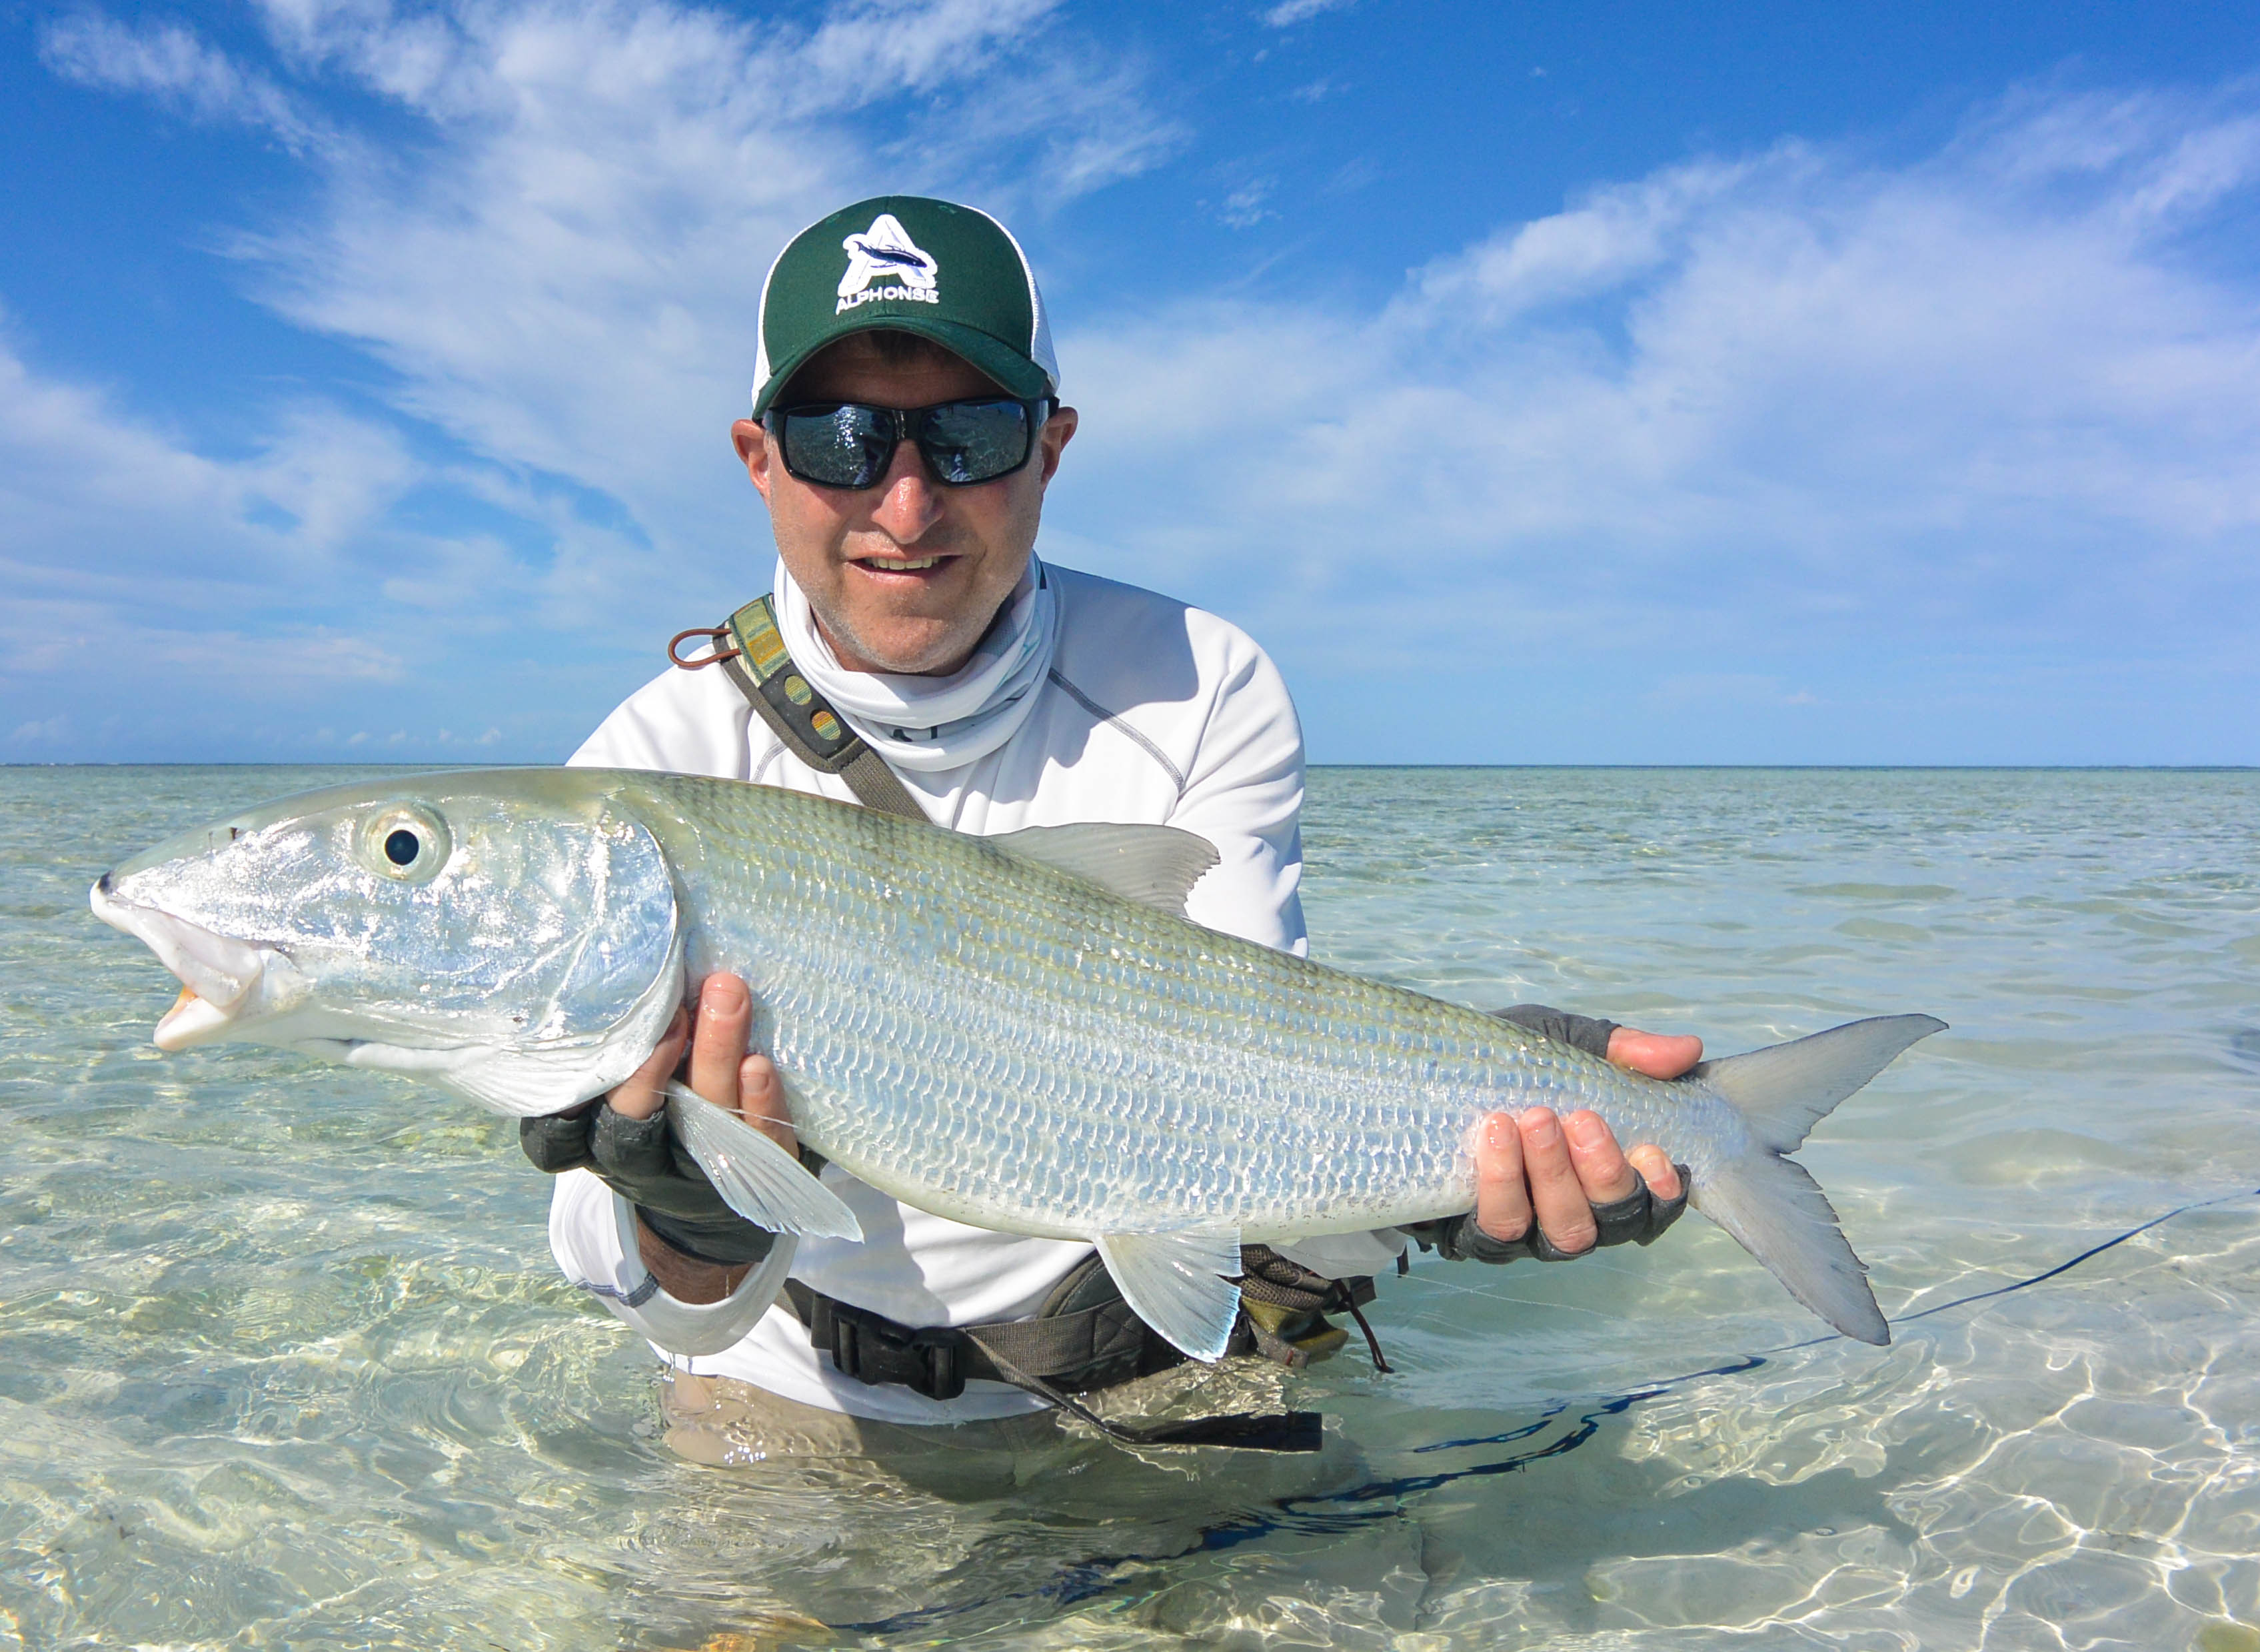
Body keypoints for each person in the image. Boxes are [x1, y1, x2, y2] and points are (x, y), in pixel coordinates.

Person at [527, 197, 1699, 1466]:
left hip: (1155, 1382)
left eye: (970, 436)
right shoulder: (643, 776)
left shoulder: (1200, 680)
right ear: (762, 460)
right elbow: (621, 1284)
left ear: (1052, 448)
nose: (907, 505)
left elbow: (1243, 1089)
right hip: (797, 1399)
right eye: (843, 438)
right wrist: (686, 1228)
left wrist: (1476, 1140)